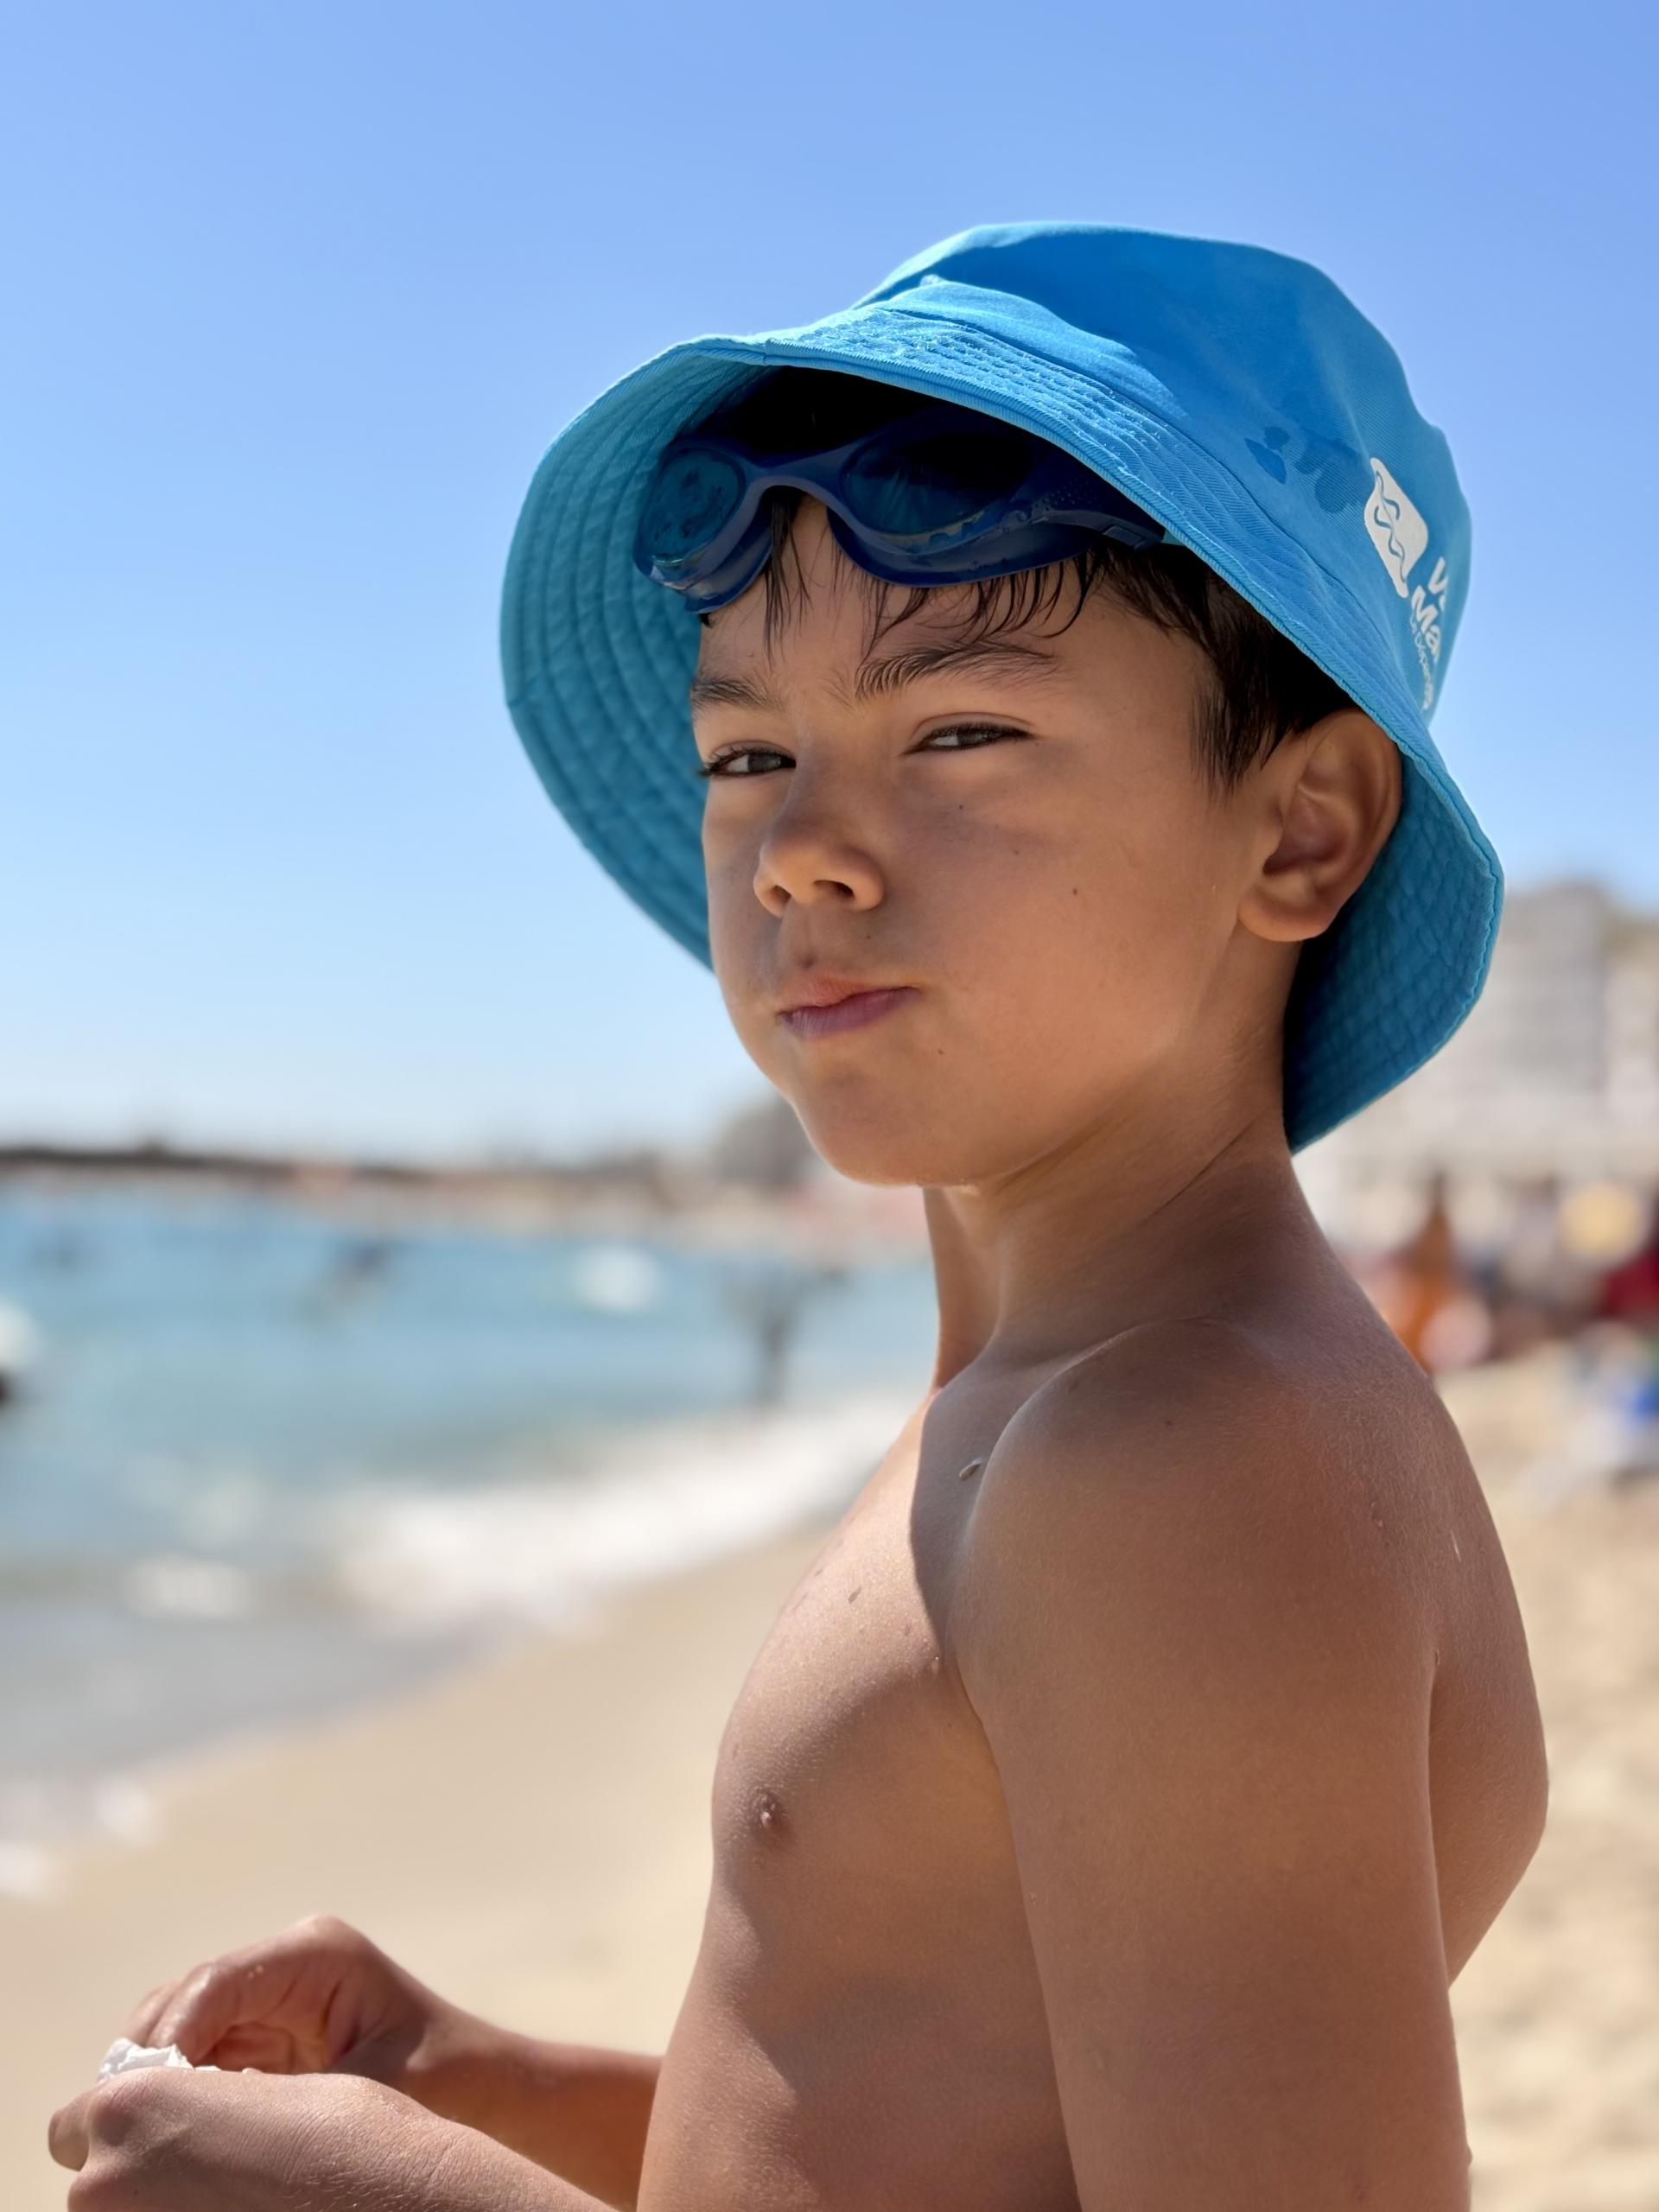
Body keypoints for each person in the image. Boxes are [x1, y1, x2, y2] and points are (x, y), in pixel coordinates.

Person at [52, 222, 1549, 2210]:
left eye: (960, 731)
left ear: (1301, 826)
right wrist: (458, 2077)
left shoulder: (1183, 1463)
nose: (802, 852)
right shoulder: (1058, 1388)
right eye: (749, 751)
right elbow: (942, 2147)